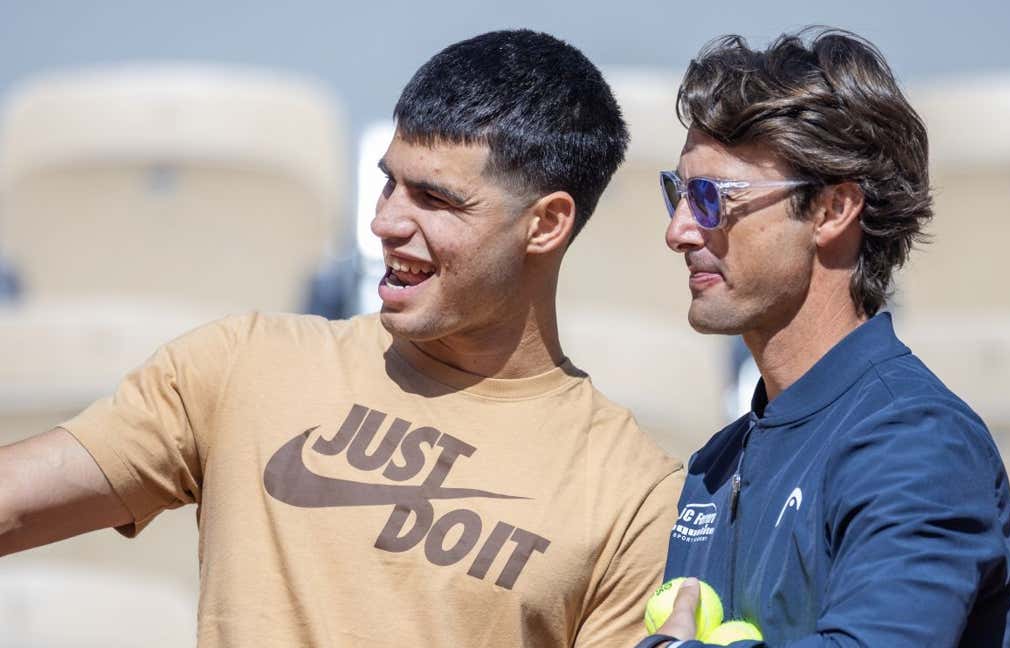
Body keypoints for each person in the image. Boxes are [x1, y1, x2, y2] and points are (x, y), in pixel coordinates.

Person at [0, 29, 683, 647]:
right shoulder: (239, 364)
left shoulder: (636, 497)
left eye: (436, 200)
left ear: (546, 225)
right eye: (389, 184)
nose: (386, 221)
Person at [639, 29, 1010, 647]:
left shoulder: (915, 444)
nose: (681, 231)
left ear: (832, 210)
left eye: (713, 197)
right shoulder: (717, 465)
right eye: (679, 194)